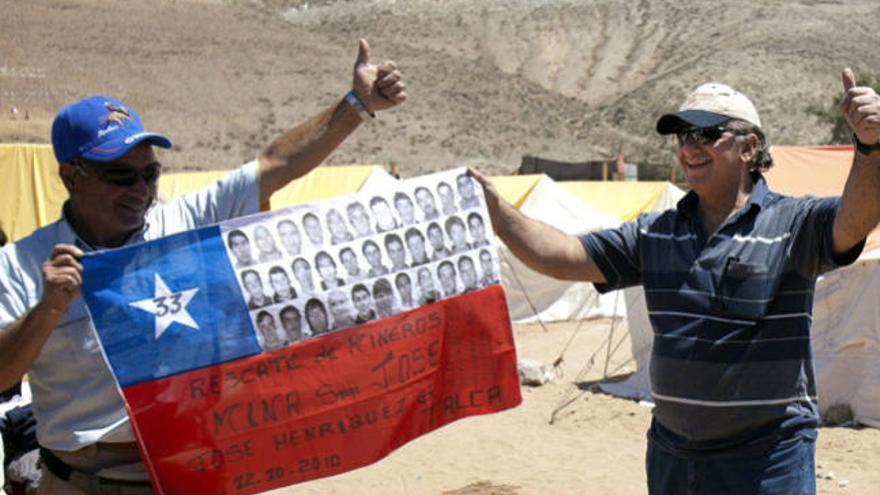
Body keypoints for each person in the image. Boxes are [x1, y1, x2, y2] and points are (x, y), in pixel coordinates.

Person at [0, 38, 405, 494]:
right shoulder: (22, 264)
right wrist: (47, 310)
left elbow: (276, 163)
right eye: (120, 177)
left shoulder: (182, 222)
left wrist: (357, 105)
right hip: (84, 482)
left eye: (149, 174)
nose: (140, 189)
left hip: (191, 471)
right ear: (70, 176)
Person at [471, 71, 880, 495]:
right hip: (674, 462)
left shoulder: (793, 223)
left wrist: (869, 147)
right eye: (682, 135)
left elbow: (857, 221)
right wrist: (499, 214)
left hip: (766, 463)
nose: (689, 147)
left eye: (705, 133)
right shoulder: (655, 233)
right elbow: (563, 256)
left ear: (749, 147)